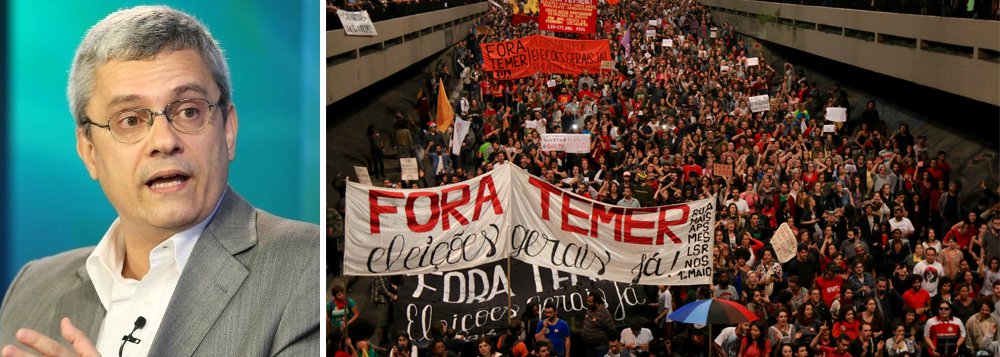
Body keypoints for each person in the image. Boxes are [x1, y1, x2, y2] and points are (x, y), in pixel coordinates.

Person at [0, 6, 319, 356]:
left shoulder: (308, 266)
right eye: (130, 120)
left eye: (188, 111)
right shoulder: (31, 288)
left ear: (228, 130)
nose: (165, 141)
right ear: (89, 151)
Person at [582, 292, 616, 357]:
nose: (587, 303)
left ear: (596, 303)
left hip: (600, 347)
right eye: (587, 301)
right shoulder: (590, 309)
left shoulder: (604, 314)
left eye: (590, 302)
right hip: (589, 346)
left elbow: (612, 330)